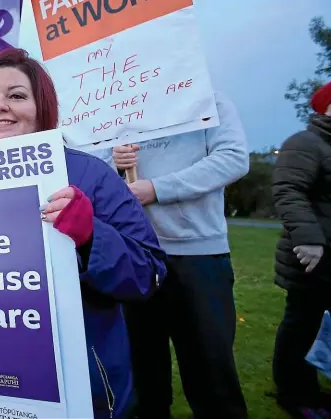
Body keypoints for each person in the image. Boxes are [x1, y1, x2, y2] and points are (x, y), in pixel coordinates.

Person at [0, 48, 168, 419]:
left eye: (16, 95)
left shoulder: (90, 174)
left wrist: (92, 237)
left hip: (82, 385)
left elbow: (149, 272)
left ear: (42, 107)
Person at [107, 90, 250, 418]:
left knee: (211, 376)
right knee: (141, 377)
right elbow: (96, 171)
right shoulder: (115, 107)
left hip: (198, 256)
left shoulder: (209, 101)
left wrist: (157, 189)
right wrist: (114, 165)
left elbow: (232, 158)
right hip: (135, 256)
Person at [271, 77, 331, 419]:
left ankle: (318, 388)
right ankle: (295, 393)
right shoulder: (305, 143)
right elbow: (288, 191)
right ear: (329, 105)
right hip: (314, 256)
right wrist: (309, 239)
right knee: (303, 325)